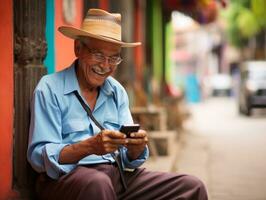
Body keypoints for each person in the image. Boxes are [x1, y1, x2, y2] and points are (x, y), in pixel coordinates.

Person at [27, 8, 208, 200]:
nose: (105, 66)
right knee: (98, 184)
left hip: (116, 178)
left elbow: (127, 159)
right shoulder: (50, 88)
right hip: (68, 181)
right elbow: (39, 158)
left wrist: (135, 148)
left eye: (113, 58)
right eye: (98, 54)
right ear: (78, 49)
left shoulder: (116, 91)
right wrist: (89, 147)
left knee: (191, 187)